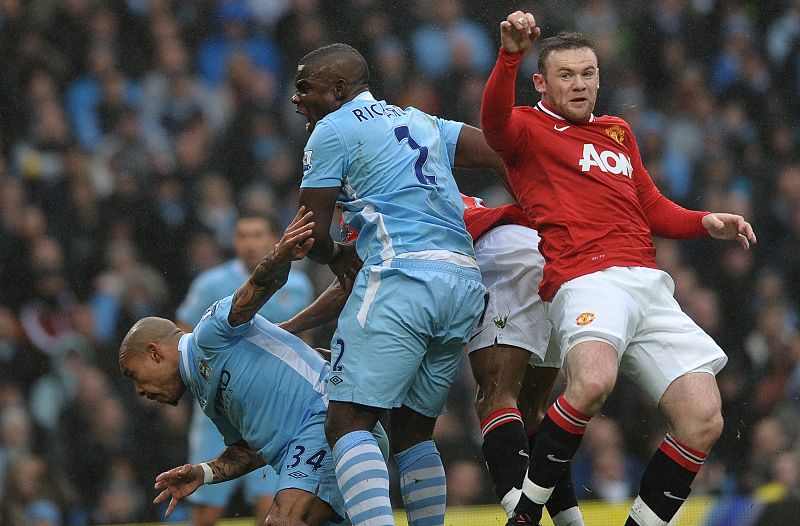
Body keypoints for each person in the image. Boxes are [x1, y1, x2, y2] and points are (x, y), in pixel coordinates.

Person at [481, 11, 757, 526]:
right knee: (591, 383)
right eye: (566, 75)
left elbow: (650, 206)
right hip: (585, 277)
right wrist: (509, 56)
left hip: (648, 283)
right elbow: (493, 124)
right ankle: (526, 514)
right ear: (541, 83)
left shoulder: (618, 132)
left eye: (587, 74)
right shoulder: (526, 128)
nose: (579, 84)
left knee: (703, 417)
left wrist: (705, 222)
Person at [279, 194, 582, 526]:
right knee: (530, 412)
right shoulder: (424, 183)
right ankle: (572, 522)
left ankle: (521, 518)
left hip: (492, 257)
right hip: (540, 249)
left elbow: (353, 281)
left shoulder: (371, 201)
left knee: (494, 398)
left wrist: (287, 329)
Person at [292, 43, 490, 526]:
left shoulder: (331, 130)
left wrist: (336, 255)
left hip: (403, 277)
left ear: (338, 90)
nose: (296, 99)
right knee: (413, 431)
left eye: (304, 87)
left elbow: (309, 234)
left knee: (347, 421)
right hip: (463, 281)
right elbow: (499, 149)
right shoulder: (421, 120)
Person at [118, 208, 389, 526]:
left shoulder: (208, 334)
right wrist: (203, 473)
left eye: (134, 375)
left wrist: (279, 256)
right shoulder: (206, 396)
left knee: (280, 520)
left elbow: (258, 286)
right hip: (306, 448)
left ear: (154, 353)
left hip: (328, 421)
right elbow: (246, 451)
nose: (139, 391)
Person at [175, 212, 314, 526]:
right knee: (206, 514)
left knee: (270, 508)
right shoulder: (210, 284)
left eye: (257, 234)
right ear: (234, 242)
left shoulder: (298, 285)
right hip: (217, 412)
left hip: (271, 411)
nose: (250, 243)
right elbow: (182, 337)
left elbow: (303, 341)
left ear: (274, 239)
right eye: (242, 235)